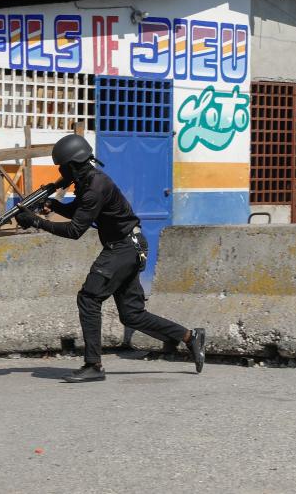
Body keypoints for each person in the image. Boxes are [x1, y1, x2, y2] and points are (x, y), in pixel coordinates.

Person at [14, 134, 205, 383]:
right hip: (130, 246)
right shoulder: (88, 182)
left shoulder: (94, 186)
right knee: (132, 315)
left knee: (89, 298)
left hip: (123, 248)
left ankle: (93, 365)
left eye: (62, 167)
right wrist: (52, 204)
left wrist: (37, 222)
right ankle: (191, 337)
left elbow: (75, 230)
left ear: (72, 165)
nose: (61, 172)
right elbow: (79, 211)